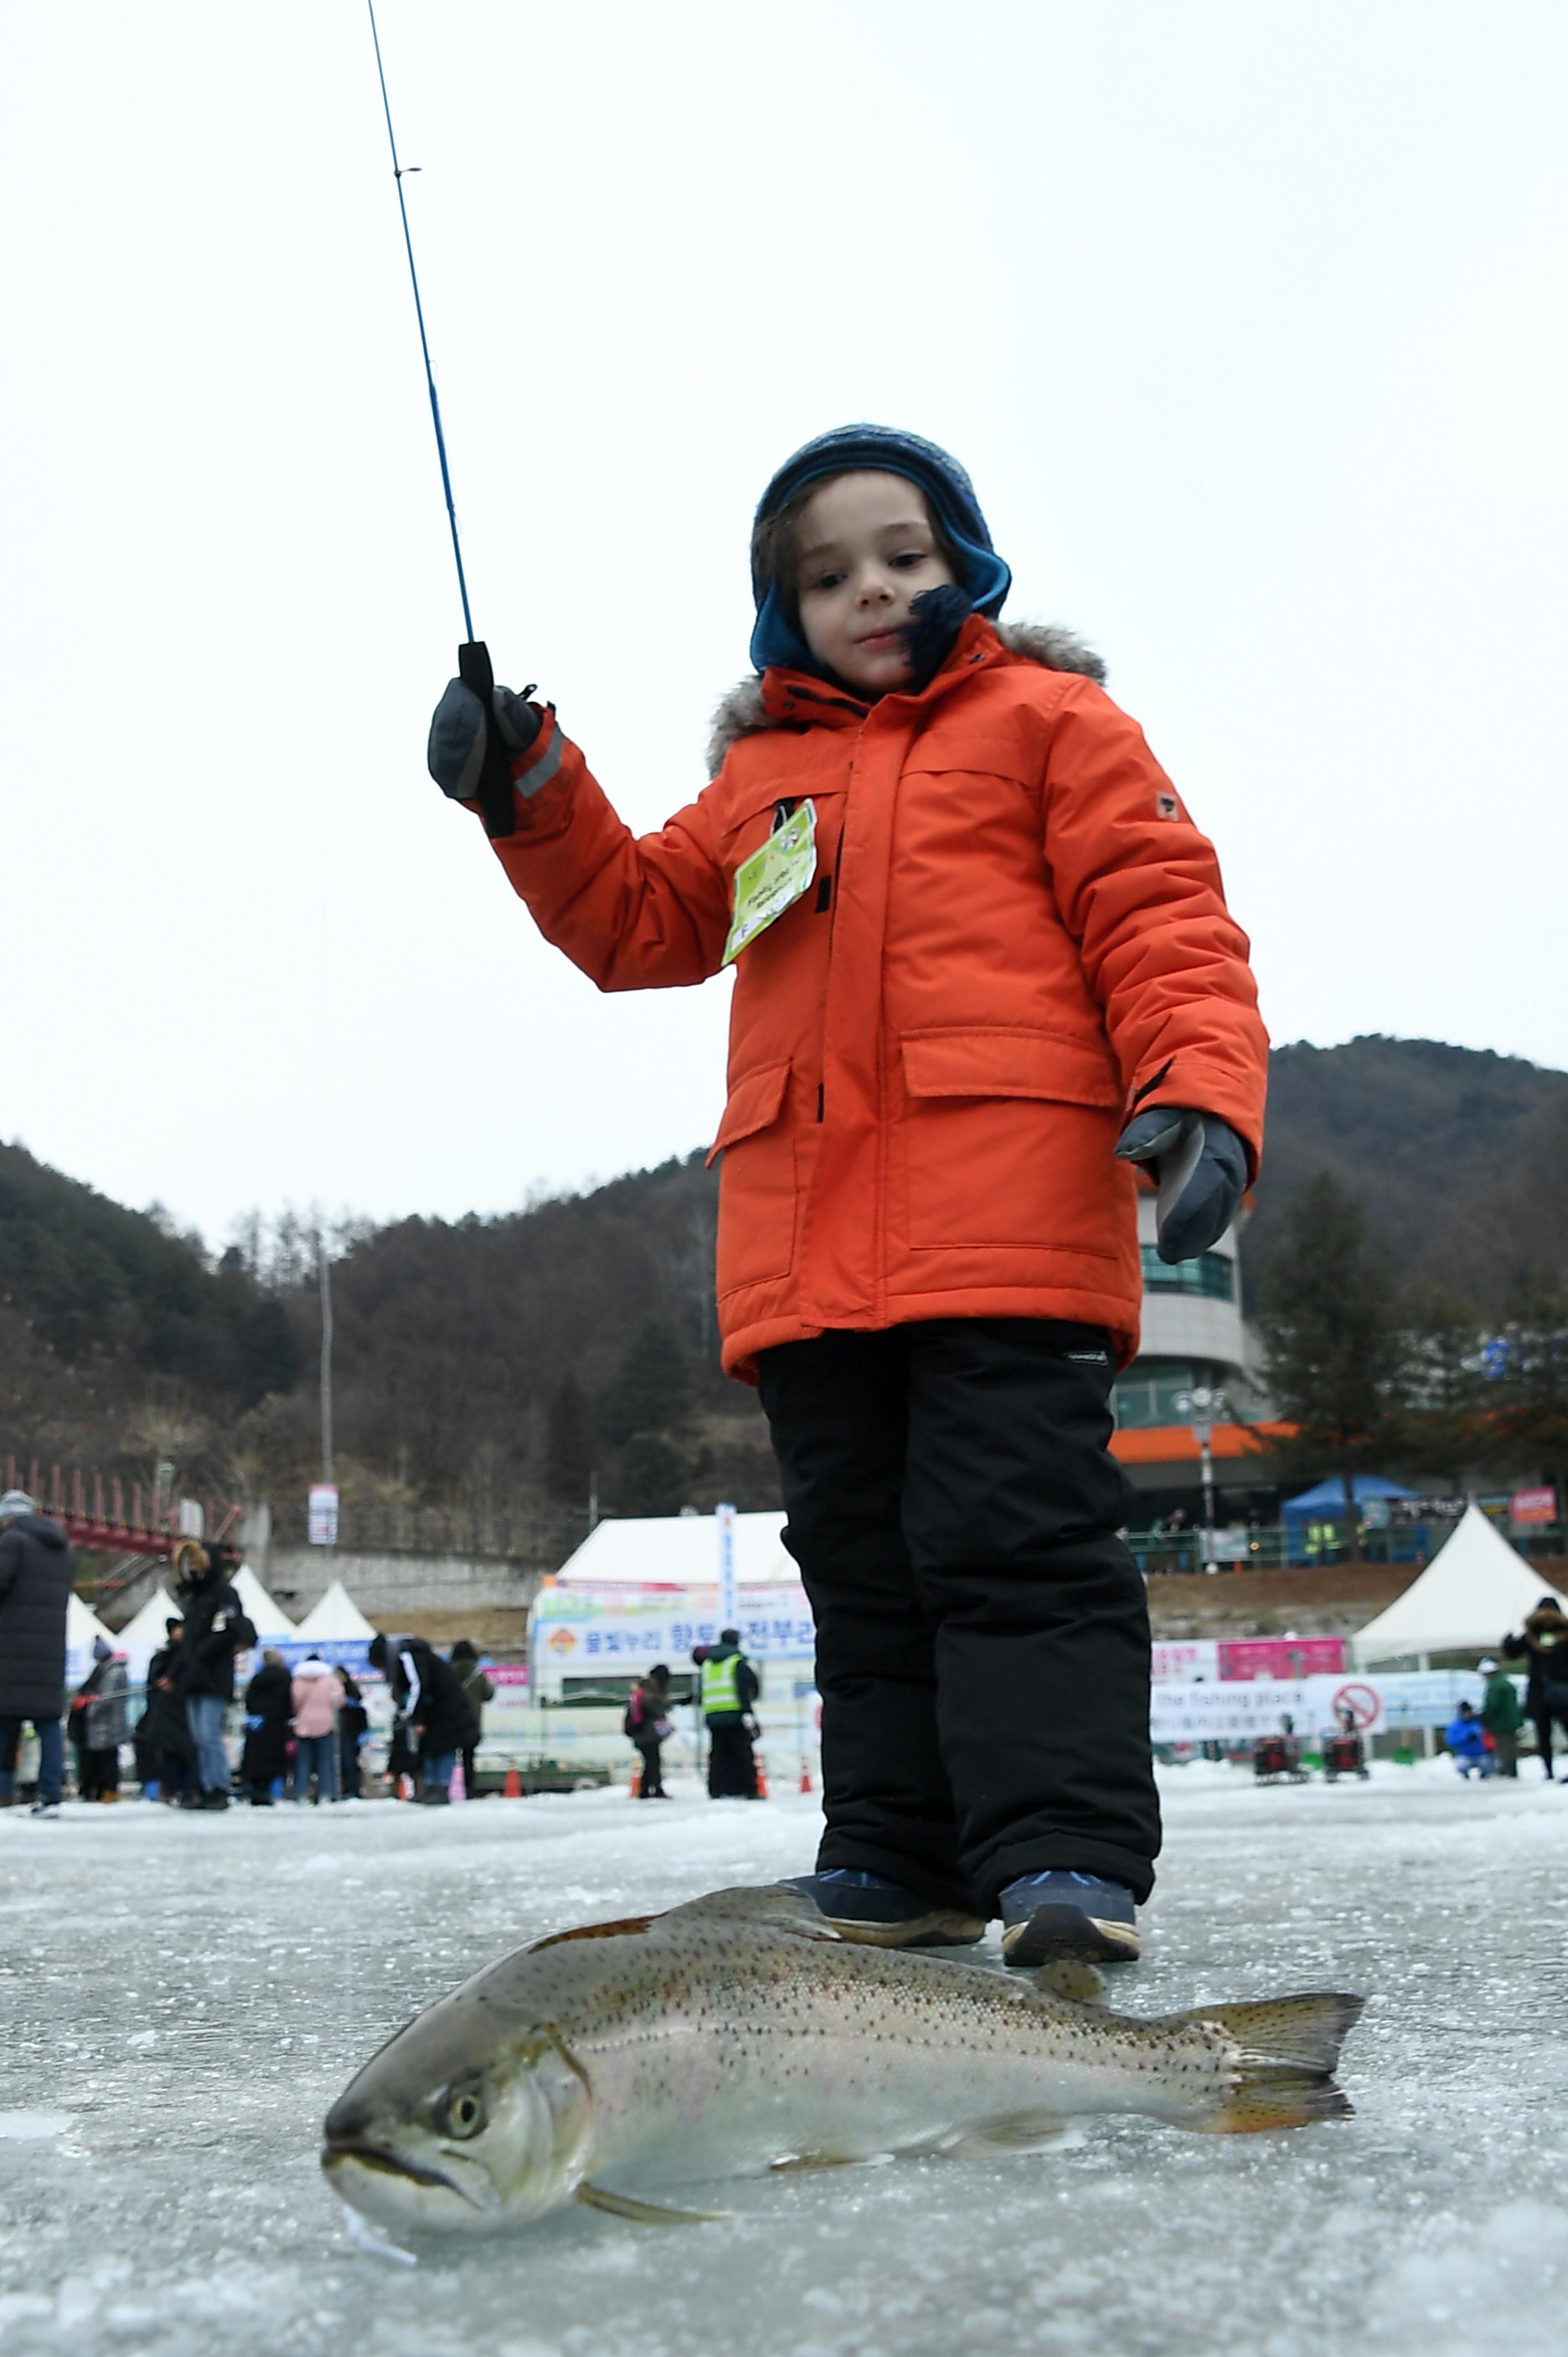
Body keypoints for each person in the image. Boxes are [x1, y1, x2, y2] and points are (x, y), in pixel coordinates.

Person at [426, 425, 1267, 1962]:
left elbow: (1163, 919)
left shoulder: (1055, 724)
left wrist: (1200, 1092)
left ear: (968, 566)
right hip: (806, 1257)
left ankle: (1065, 1854)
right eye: (828, 575)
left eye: (905, 555)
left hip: (1007, 1226)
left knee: (1016, 1549)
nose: (871, 590)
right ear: (782, 611)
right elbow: (636, 922)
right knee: (865, 1569)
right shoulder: (761, 781)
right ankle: (898, 1852)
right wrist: (528, 788)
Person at [0, 1487, 74, 1816]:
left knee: (5, 1724)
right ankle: (51, 1793)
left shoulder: (12, 1542)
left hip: (11, 1649)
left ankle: (3, 1791)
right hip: (50, 1653)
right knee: (48, 1724)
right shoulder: (63, 1550)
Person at [172, 1540, 256, 1810]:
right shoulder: (193, 1599)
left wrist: (207, 1651)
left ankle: (218, 1787)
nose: (193, 1569)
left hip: (213, 1675)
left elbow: (232, 1629)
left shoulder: (224, 1594)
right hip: (193, 1676)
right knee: (199, 1737)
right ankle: (207, 1786)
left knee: (209, 1735)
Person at [367, 1635, 478, 1804]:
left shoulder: (408, 1656)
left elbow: (418, 1685)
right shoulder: (402, 1662)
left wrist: (414, 1717)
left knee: (445, 1746)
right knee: (428, 1746)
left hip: (447, 1708)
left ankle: (442, 1787)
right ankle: (431, 1786)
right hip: (432, 1709)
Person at [1502, 1596, 1568, 1780]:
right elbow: (1514, 1652)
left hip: (1563, 1691)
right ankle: (1549, 1771)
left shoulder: (1564, 1635)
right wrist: (1508, 1643)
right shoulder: (1532, 1636)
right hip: (1541, 1693)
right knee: (1543, 1735)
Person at [694, 1631, 760, 1799]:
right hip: (734, 1714)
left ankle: (715, 1790)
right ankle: (750, 1790)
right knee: (744, 1754)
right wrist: (748, 1712)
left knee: (718, 1755)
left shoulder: (707, 1664)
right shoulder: (736, 1662)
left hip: (713, 1715)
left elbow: (703, 1691)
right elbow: (745, 1688)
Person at [138, 1619, 194, 1802]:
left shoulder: (188, 1656)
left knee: (185, 1752)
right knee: (170, 1753)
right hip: (166, 1714)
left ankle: (186, 1789)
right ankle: (174, 1789)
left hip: (181, 1713)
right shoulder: (164, 1658)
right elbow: (154, 1687)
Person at [72, 1636, 130, 1801]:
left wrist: (89, 1709)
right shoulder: (108, 1671)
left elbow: (106, 1699)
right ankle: (104, 1791)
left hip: (106, 1725)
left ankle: (109, 1791)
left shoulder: (112, 1672)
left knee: (107, 1760)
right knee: (102, 1760)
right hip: (103, 1726)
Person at [239, 1648, 293, 1804]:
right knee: (274, 1759)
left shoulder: (257, 1678)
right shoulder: (285, 1677)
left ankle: (256, 1790)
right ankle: (269, 1792)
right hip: (276, 1725)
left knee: (256, 1758)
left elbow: (249, 1700)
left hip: (257, 1725)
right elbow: (288, 1701)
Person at [290, 1654, 345, 1803]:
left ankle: (302, 1794)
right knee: (325, 1761)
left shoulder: (298, 1680)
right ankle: (325, 1794)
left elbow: (295, 1702)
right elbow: (339, 1700)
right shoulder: (331, 1680)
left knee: (303, 1762)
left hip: (303, 1723)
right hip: (326, 1723)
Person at [449, 1640, 494, 1797]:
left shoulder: (448, 1672)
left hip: (451, 1721)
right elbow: (489, 1695)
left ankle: (445, 1787)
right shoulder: (477, 1674)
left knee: (448, 1757)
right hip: (472, 1722)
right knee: (469, 1758)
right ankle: (469, 1790)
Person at [625, 1663, 673, 1798]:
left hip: (641, 1732)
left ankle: (645, 1790)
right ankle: (656, 1789)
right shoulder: (652, 1690)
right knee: (654, 1761)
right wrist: (666, 1703)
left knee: (651, 1761)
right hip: (647, 1733)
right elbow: (658, 1707)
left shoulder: (642, 1689)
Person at [1477, 1656, 1523, 1780]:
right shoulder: (1506, 1682)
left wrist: (1486, 1718)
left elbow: (1493, 1705)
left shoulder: (1494, 1686)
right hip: (1512, 1721)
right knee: (1511, 1747)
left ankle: (1507, 1771)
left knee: (1503, 1748)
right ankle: (1512, 1770)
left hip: (1501, 1723)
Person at [337, 1668, 369, 1800]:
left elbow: (360, 1713)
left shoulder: (352, 1693)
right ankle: (345, 1788)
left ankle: (353, 1789)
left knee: (350, 1762)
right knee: (342, 1763)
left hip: (350, 1733)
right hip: (340, 1732)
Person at [1445, 1700, 1492, 1779]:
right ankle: (1465, 1774)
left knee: (1488, 1764)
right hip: (1464, 1755)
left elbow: (1487, 1737)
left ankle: (1484, 1775)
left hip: (1481, 1754)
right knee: (1461, 1765)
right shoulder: (1455, 1726)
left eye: (1469, 1712)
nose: (1467, 1715)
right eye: (1465, 1713)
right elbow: (1451, 1741)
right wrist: (1466, 1738)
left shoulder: (1478, 1723)